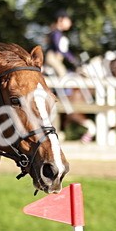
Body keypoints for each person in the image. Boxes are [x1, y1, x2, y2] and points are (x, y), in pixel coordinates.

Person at [43, 10, 96, 142]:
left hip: (56, 59)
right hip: (52, 59)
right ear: (60, 20)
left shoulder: (58, 33)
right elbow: (61, 51)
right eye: (68, 20)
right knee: (63, 75)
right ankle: (60, 100)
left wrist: (74, 61)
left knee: (67, 74)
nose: (70, 23)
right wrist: (74, 61)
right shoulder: (56, 33)